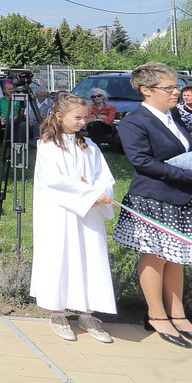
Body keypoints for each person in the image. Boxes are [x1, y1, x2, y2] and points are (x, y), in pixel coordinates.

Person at [113, 62, 192, 349]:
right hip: (153, 199)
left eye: (177, 86)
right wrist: (189, 175)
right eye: (169, 87)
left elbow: (187, 154)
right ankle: (156, 315)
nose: (177, 92)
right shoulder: (135, 121)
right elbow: (142, 162)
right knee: (155, 255)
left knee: (176, 256)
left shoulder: (174, 117)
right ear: (146, 90)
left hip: (183, 196)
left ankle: (178, 315)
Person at [29, 93, 116, 343]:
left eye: (85, 118)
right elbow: (52, 181)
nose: (82, 122)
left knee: (90, 258)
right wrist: (87, 192)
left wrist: (100, 193)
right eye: (77, 117)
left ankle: (88, 313)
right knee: (61, 257)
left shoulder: (90, 147)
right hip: (60, 214)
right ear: (60, 116)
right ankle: (58, 312)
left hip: (89, 214)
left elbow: (105, 177)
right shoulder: (47, 147)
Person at [0, 81, 25, 146]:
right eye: (8, 89)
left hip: (15, 119)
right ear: (4, 91)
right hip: (3, 119)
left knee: (12, 122)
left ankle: (12, 142)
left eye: (12, 89)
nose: (11, 90)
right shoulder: (1, 100)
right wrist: (1, 118)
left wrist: (10, 119)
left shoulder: (18, 99)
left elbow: (21, 113)